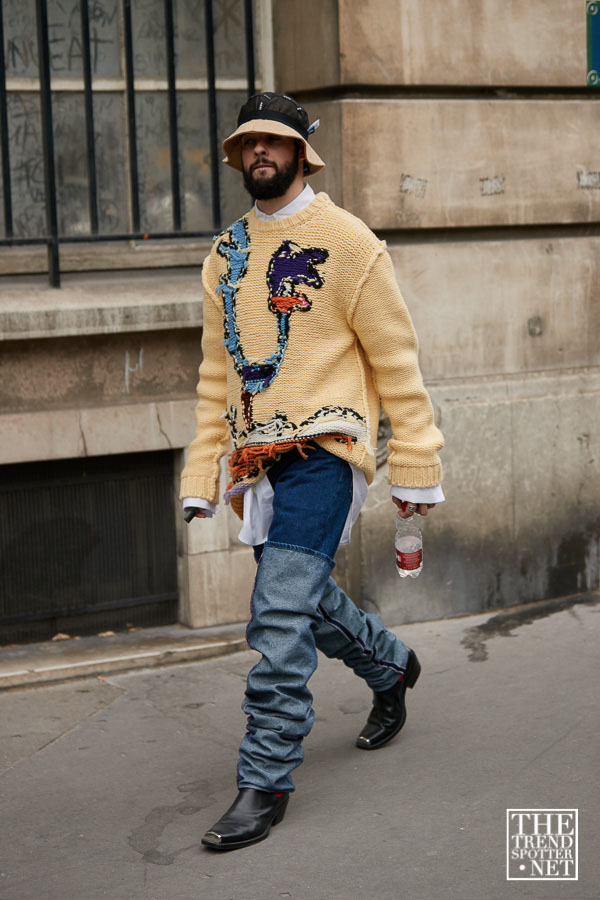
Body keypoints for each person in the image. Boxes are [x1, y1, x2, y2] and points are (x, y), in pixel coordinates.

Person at [180, 92, 445, 851]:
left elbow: (396, 357)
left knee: (276, 615)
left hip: (328, 450)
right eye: (249, 143)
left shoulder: (349, 242)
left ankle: (263, 780)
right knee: (303, 605)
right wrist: (204, 475)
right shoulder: (225, 253)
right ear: (238, 157)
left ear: (302, 152)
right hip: (258, 463)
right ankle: (390, 667)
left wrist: (416, 462)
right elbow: (213, 374)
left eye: (276, 140)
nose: (261, 152)